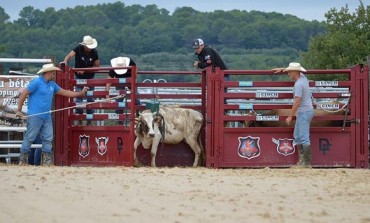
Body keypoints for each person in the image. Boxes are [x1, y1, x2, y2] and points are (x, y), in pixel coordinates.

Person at [16, 63, 89, 166]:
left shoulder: (52, 85)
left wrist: (80, 94)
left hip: (46, 116)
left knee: (48, 138)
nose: (54, 74)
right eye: (53, 72)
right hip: (35, 115)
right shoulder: (36, 82)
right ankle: (23, 160)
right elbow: (23, 94)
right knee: (31, 137)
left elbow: (65, 92)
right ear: (48, 73)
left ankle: (46, 162)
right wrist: (18, 110)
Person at [280, 62, 314, 167]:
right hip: (305, 111)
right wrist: (283, 69)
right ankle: (303, 161)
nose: (288, 74)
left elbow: (297, 102)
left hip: (303, 111)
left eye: (289, 72)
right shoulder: (303, 78)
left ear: (295, 72)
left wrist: (290, 115)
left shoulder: (299, 85)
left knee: (302, 136)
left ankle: (306, 162)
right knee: (298, 136)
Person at [61, 35, 100, 125]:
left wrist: (85, 69)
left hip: (89, 78)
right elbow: (69, 56)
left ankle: (89, 120)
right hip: (79, 78)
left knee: (90, 99)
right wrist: (65, 62)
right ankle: (80, 119)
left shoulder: (94, 52)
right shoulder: (78, 49)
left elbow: (97, 66)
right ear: (84, 45)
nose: (90, 49)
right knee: (79, 98)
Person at [105, 57, 137, 124]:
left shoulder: (131, 62)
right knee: (119, 100)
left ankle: (137, 116)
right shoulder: (113, 67)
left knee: (136, 97)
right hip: (119, 81)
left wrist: (133, 86)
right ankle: (119, 120)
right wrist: (107, 97)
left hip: (130, 79)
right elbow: (108, 82)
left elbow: (135, 70)